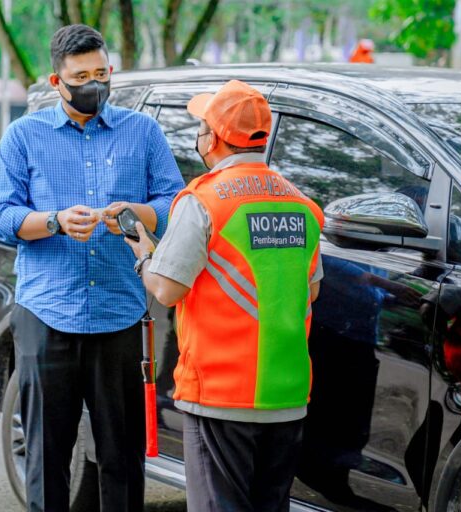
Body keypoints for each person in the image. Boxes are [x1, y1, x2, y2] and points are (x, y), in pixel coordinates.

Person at [0, 24, 184, 512]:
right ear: (58, 82)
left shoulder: (143, 132)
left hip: (119, 314)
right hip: (47, 314)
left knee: (122, 458)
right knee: (48, 459)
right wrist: (52, 221)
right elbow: (1, 214)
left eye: (101, 72)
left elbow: (175, 201)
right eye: (80, 76)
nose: (93, 83)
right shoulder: (24, 136)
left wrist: (137, 214)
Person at [125, 79, 325, 512]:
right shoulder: (302, 206)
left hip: (220, 396)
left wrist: (143, 254)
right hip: (287, 396)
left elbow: (167, 287)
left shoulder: (204, 201)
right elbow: (311, 289)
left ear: (212, 138)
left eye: (201, 126)